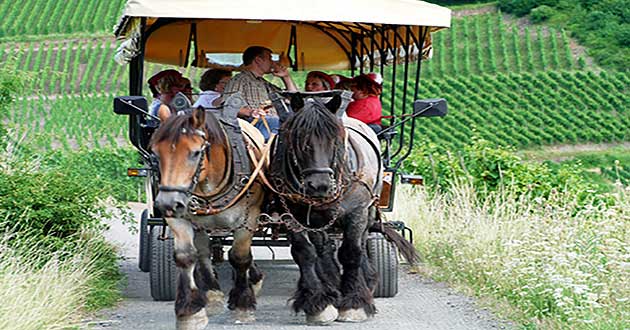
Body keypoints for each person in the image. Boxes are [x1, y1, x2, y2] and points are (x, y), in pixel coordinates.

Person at [223, 46, 298, 140]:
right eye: (270, 59)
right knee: (280, 125)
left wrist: (286, 77)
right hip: (252, 124)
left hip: (273, 122)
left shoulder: (264, 83)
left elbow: (294, 98)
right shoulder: (239, 80)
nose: (273, 63)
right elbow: (227, 105)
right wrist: (251, 112)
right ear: (258, 60)